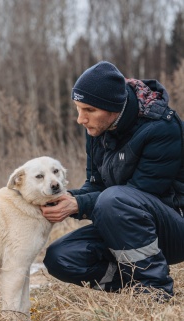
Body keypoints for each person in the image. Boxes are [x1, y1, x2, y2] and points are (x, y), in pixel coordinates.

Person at [41, 61, 184, 298]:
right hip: (125, 220)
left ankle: (154, 290)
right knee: (60, 257)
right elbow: (96, 186)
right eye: (78, 108)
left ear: (114, 107)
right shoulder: (98, 129)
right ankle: (132, 283)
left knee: (115, 200)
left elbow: (142, 193)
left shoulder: (162, 128)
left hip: (174, 225)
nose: (80, 119)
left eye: (88, 110)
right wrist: (65, 200)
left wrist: (79, 205)